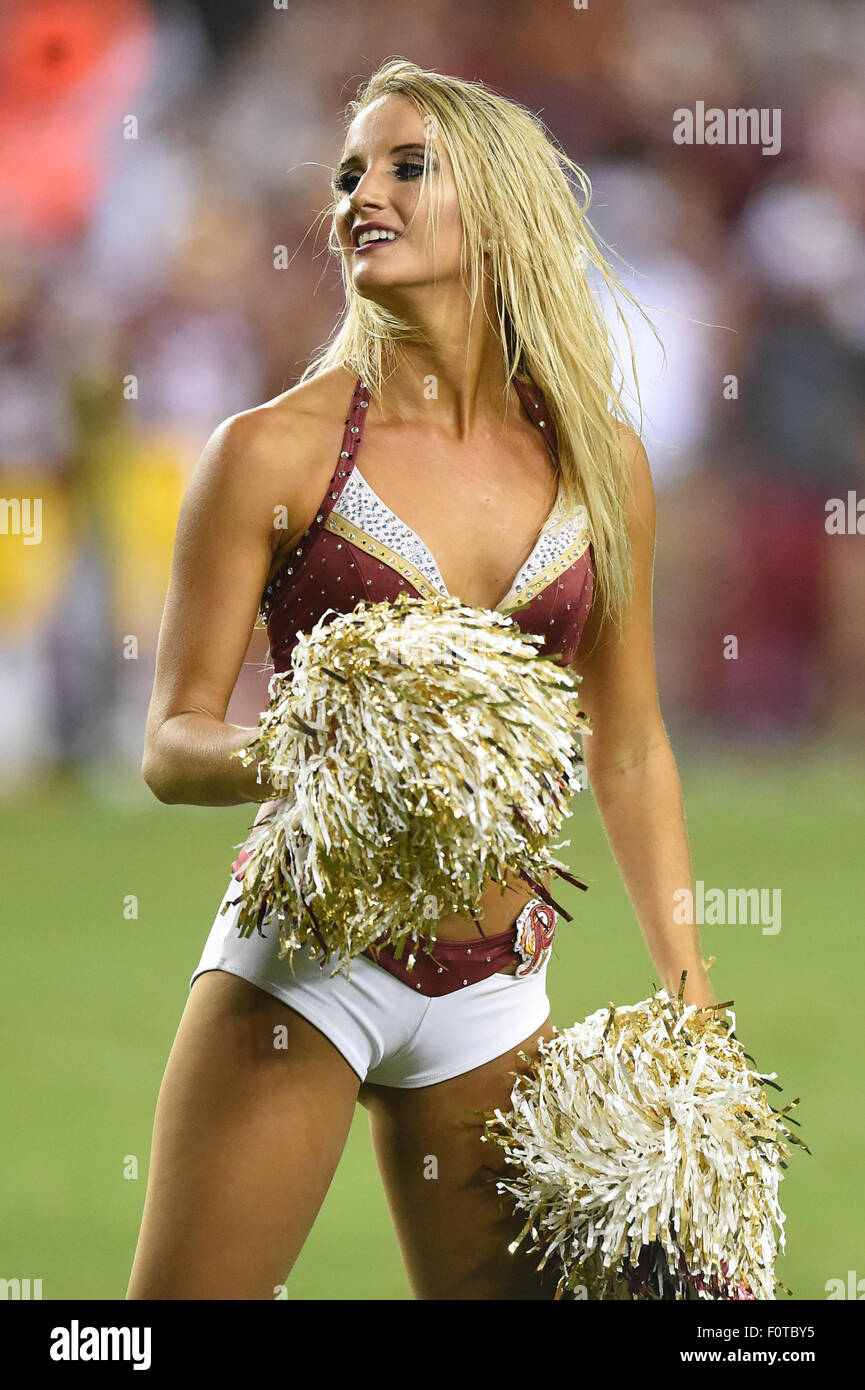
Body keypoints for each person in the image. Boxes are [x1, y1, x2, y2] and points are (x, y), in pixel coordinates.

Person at [127, 59, 715, 1302]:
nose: (359, 195)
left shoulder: (599, 456)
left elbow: (627, 744)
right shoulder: (271, 449)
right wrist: (321, 752)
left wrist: (690, 999)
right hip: (312, 960)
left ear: (496, 210)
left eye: (405, 165)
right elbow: (171, 742)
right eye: (348, 174)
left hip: (499, 985)